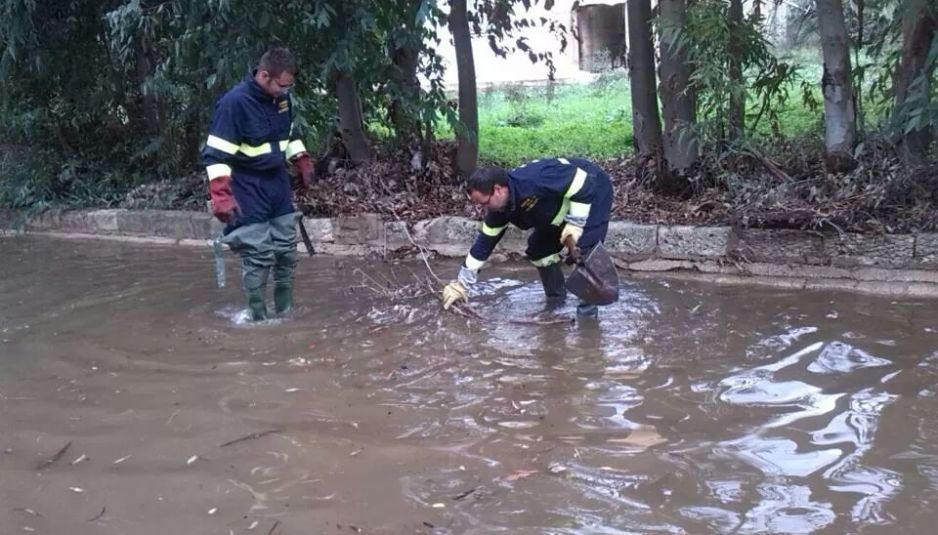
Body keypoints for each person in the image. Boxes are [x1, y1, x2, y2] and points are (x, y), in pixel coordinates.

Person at [202, 47, 313, 321]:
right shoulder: (234, 104)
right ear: (264, 76)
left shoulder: (282, 100)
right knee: (259, 255)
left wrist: (301, 158)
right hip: (246, 185)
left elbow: (287, 136)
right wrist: (221, 195)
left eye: (289, 86)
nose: (286, 91)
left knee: (286, 252)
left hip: (277, 183)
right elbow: (216, 154)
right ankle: (257, 318)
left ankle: (285, 313)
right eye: (281, 85)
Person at [441, 157, 614, 317]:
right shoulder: (500, 209)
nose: (483, 209)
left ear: (498, 189)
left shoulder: (535, 179)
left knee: (586, 253)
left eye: (485, 203)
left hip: (591, 190)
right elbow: (484, 244)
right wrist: (462, 284)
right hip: (556, 210)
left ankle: (587, 319)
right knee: (539, 249)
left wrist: (575, 225)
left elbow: (583, 183)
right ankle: (557, 302)